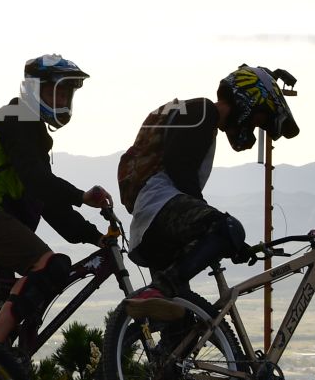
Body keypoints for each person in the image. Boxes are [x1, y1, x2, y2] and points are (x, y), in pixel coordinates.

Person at [0, 55, 114, 344]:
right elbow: (40, 182)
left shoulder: (28, 128)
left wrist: (95, 237)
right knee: (50, 266)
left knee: (7, 323)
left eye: (67, 94)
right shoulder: (17, 119)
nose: (62, 99)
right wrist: (82, 196)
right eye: (55, 91)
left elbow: (46, 202)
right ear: (34, 89)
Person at [116, 63, 299, 311]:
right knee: (228, 227)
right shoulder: (202, 110)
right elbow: (179, 168)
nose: (254, 129)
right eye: (258, 119)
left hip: (148, 225)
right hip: (160, 207)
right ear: (247, 101)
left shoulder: (199, 116)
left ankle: (164, 326)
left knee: (181, 322)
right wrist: (224, 231)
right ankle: (163, 286)